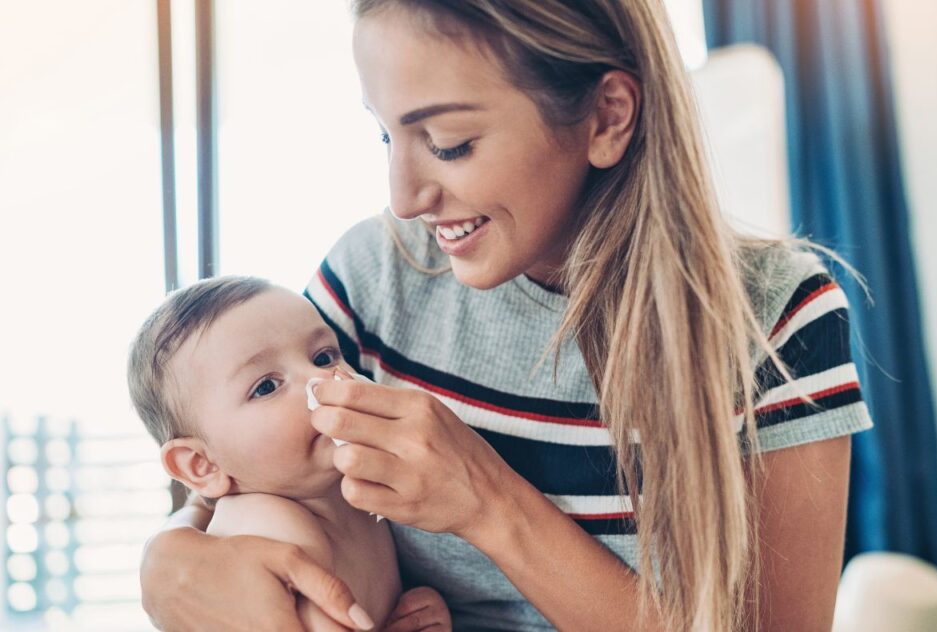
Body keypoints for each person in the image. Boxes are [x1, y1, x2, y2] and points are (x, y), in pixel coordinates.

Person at [138, 1, 874, 630]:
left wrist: (487, 502)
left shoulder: (775, 319)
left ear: (607, 117)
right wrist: (166, 560)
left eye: (449, 144)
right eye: (387, 136)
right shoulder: (375, 275)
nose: (404, 196)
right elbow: (233, 472)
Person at [127, 276, 451, 631]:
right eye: (266, 387)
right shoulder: (268, 524)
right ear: (202, 465)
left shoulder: (353, 490)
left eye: (323, 356)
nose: (320, 380)